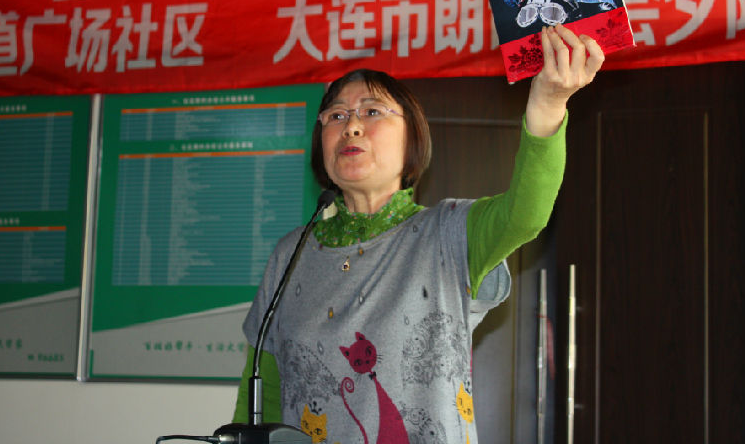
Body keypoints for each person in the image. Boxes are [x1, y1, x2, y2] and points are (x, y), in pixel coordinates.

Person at [232, 24, 604, 444]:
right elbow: (261, 392)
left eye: (372, 111)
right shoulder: (290, 254)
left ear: (412, 136)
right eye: (336, 116)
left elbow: (526, 213)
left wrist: (548, 103)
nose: (351, 127)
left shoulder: (448, 233)